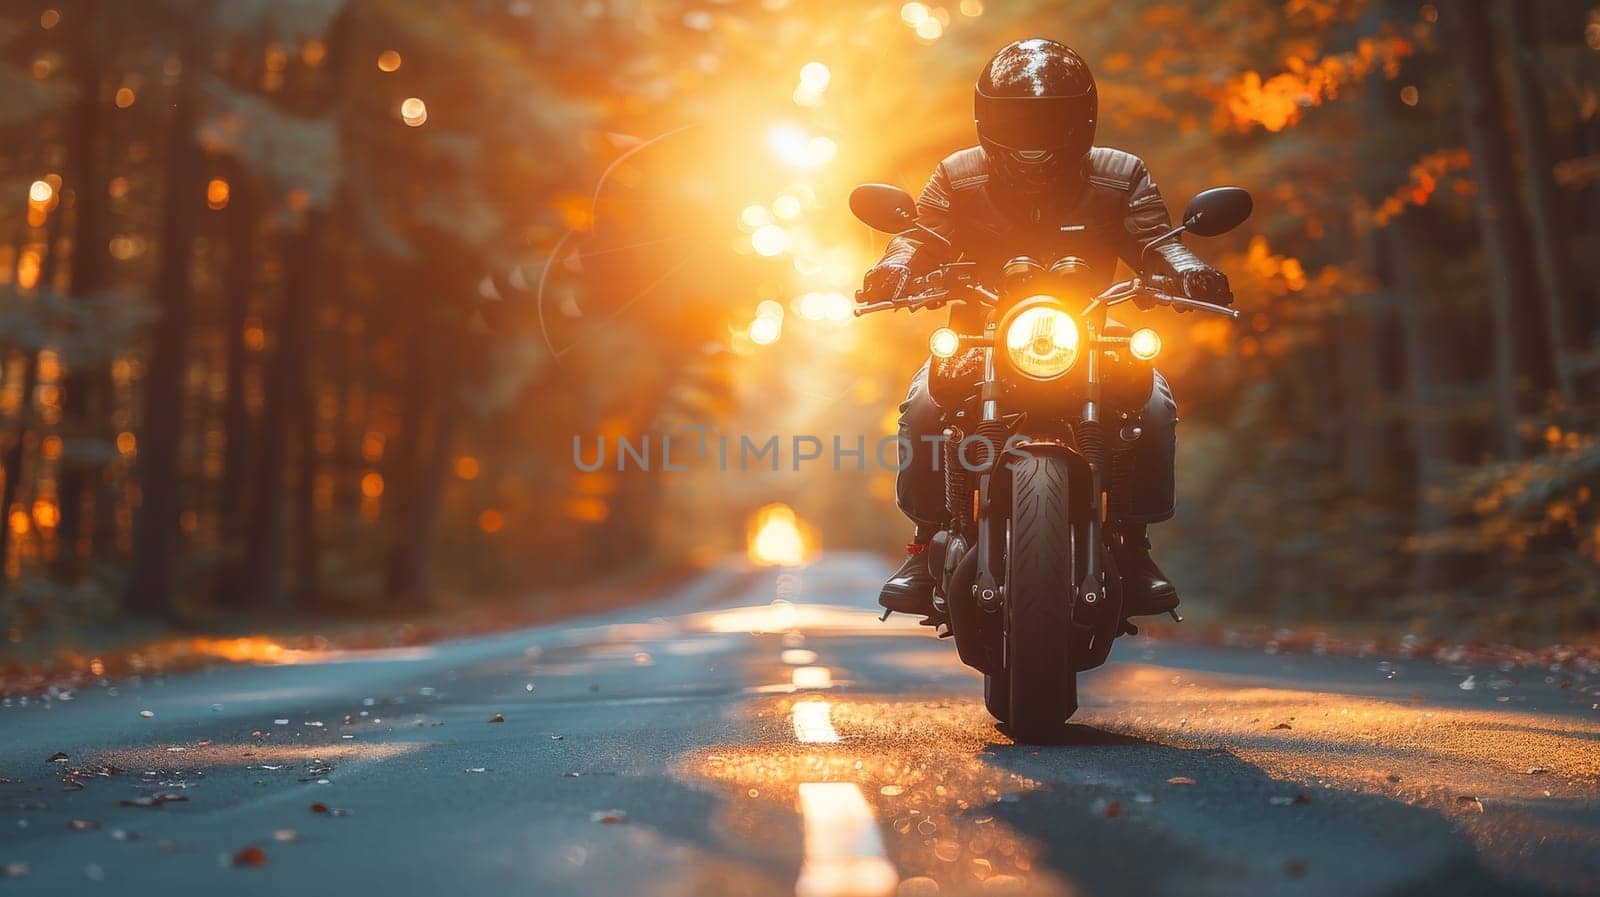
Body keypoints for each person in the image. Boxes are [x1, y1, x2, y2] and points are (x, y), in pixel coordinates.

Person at [864, 38, 1233, 619]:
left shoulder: (1121, 175)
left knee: (1154, 405)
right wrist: (894, 267)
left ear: (1083, 116)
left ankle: (1133, 548)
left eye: (1051, 117)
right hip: (980, 341)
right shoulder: (957, 176)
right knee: (927, 406)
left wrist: (1191, 273)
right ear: (986, 117)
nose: (1033, 134)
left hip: (1089, 341)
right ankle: (925, 543)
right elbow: (920, 235)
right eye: (1016, 118)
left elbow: (1158, 243)